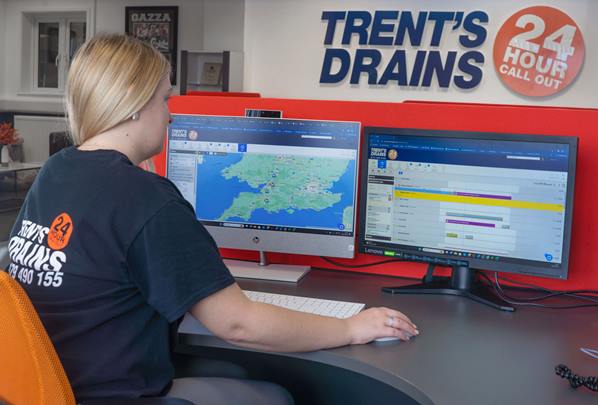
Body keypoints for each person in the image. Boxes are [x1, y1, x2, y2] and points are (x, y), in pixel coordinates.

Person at [5, 33, 418, 404]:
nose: (170, 115)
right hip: (109, 394)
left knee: (234, 374)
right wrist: (350, 328)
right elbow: (239, 324)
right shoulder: (144, 198)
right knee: (275, 395)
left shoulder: (57, 169)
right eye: (165, 99)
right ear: (132, 100)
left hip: (47, 387)